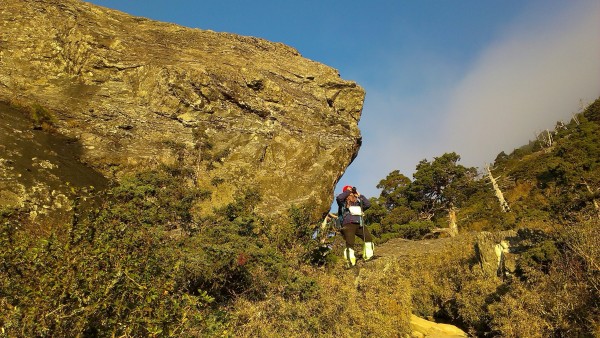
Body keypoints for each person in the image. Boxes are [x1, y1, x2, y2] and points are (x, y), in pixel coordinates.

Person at [336, 185, 374, 267]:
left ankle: (368, 256)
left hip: (359, 224)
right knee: (350, 243)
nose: (351, 194)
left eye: (352, 192)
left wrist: (360, 195)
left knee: (368, 238)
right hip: (348, 225)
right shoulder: (343, 203)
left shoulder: (358, 203)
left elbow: (368, 205)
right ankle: (350, 262)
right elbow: (339, 198)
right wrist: (348, 191)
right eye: (349, 192)